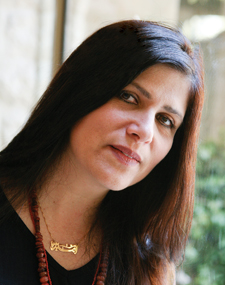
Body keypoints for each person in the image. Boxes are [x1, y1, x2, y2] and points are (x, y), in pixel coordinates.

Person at [0, 20, 204, 285]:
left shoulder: (150, 270)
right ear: (80, 91)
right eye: (129, 97)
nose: (143, 131)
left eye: (165, 120)